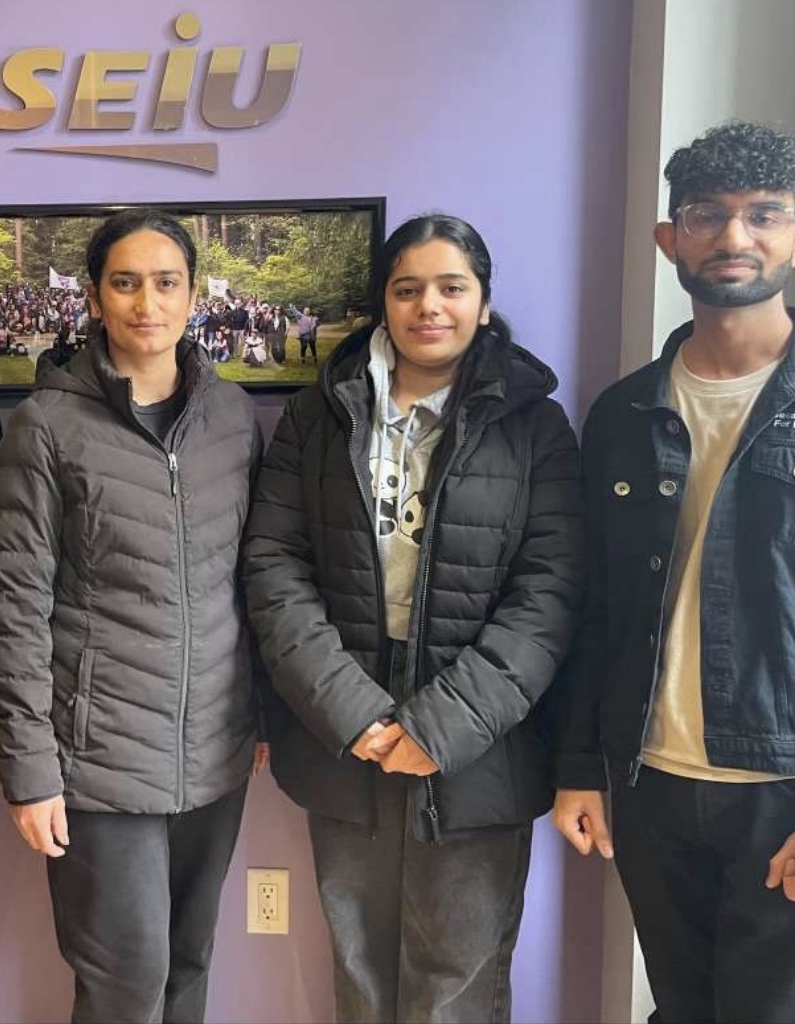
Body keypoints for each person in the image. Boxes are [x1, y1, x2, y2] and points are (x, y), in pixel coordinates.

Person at [552, 121, 795, 1024]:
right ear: (669, 238)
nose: (734, 238)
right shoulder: (624, 413)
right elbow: (597, 608)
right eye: (707, 215)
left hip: (793, 796)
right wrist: (581, 766)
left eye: (763, 215)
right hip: (652, 785)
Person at [245, 214, 584, 1024]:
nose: (429, 306)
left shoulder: (536, 426)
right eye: (408, 289)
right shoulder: (317, 416)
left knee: (455, 984)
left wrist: (444, 725)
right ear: (384, 305)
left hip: (481, 742)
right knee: (360, 973)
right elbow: (273, 566)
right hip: (345, 727)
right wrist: (351, 711)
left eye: (451, 287)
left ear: (484, 302)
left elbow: (550, 593)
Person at [0, 210, 267, 1024]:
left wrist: (256, 718)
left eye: (166, 281)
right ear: (97, 297)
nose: (148, 301)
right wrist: (31, 769)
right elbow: (15, 605)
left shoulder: (231, 418)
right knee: (125, 985)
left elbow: (251, 582)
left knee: (188, 965)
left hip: (213, 754)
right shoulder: (47, 426)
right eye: (126, 282)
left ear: (192, 295)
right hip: (98, 762)